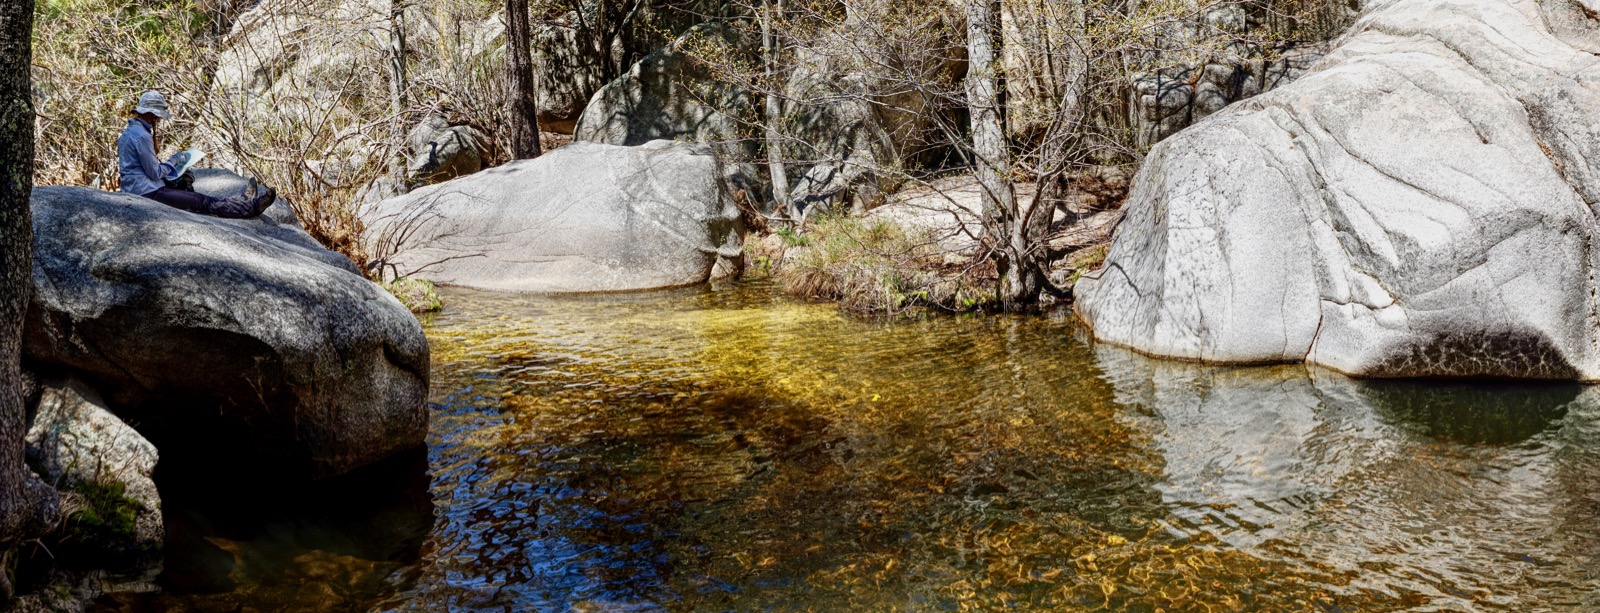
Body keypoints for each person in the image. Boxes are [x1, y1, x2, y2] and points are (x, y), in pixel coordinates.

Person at [118, 90, 276, 218]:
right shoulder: (142, 136)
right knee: (200, 201)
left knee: (188, 188)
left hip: (138, 188)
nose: (159, 120)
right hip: (147, 192)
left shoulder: (129, 132)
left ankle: (241, 201)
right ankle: (252, 207)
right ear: (152, 115)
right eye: (158, 117)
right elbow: (154, 173)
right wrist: (174, 160)